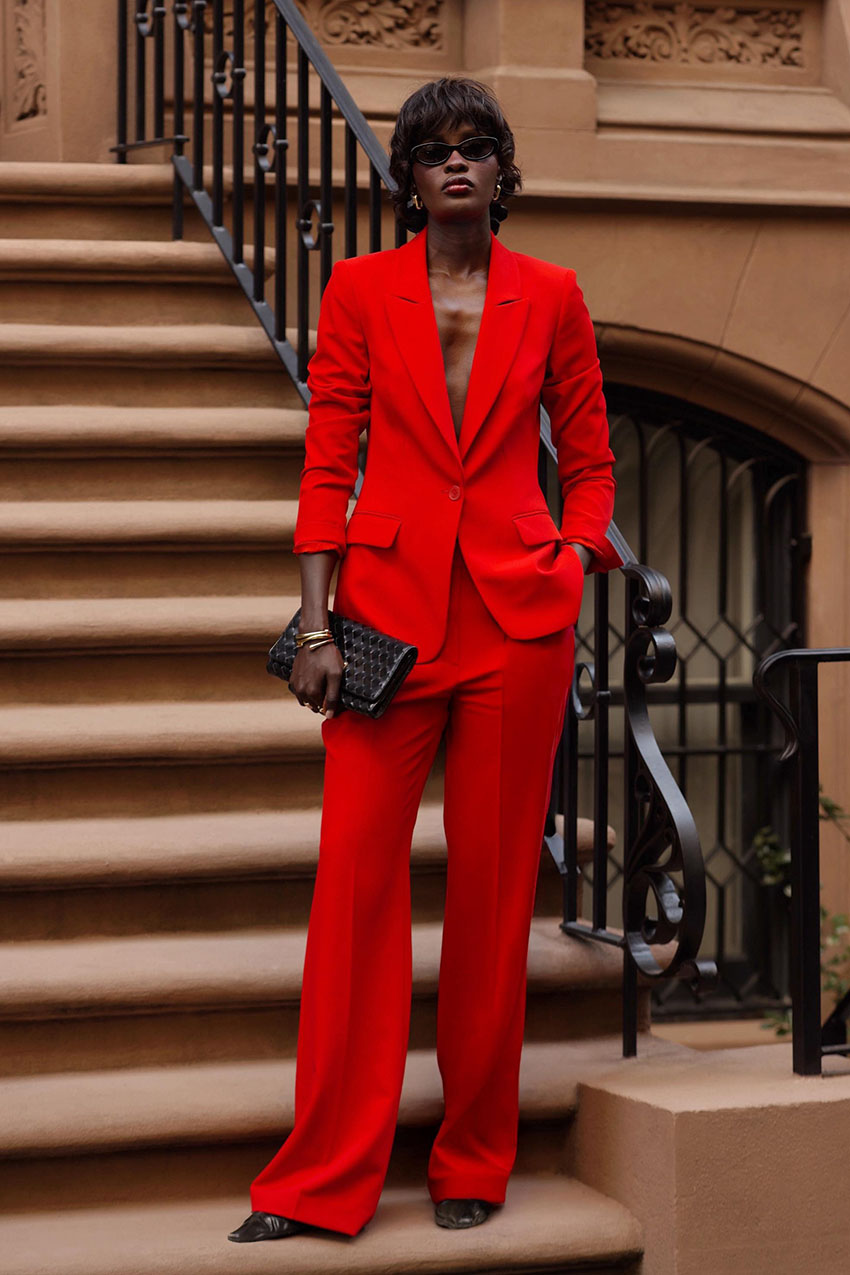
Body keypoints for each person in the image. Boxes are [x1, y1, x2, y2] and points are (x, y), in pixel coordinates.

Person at [228, 74, 621, 1245]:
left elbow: (592, 461)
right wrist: (312, 625)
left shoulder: (551, 296)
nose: (455, 163)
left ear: (504, 171)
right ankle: (318, 1181)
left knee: (496, 904)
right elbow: (329, 456)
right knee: (355, 892)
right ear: (406, 174)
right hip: (386, 622)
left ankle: (473, 1159)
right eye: (434, 148)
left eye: (477, 146)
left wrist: (571, 554)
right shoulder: (358, 289)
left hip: (517, 628)